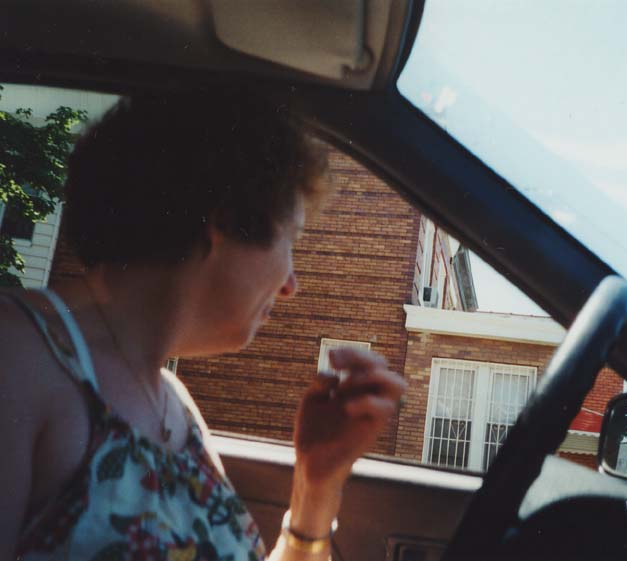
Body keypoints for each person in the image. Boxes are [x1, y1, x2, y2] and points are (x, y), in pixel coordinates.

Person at [0, 91, 407, 560]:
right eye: (290, 240)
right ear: (226, 223)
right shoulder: (16, 356)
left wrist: (316, 484)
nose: (290, 285)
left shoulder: (175, 407)